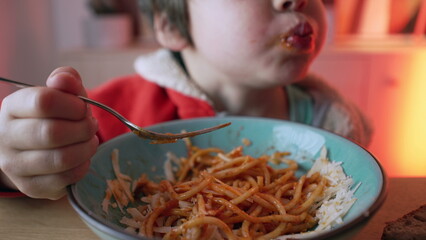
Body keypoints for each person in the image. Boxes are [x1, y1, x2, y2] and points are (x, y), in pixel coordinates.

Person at [0, 0, 371, 200]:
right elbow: (39, 163)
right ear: (169, 24)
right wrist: (14, 166)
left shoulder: (335, 123)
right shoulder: (108, 115)